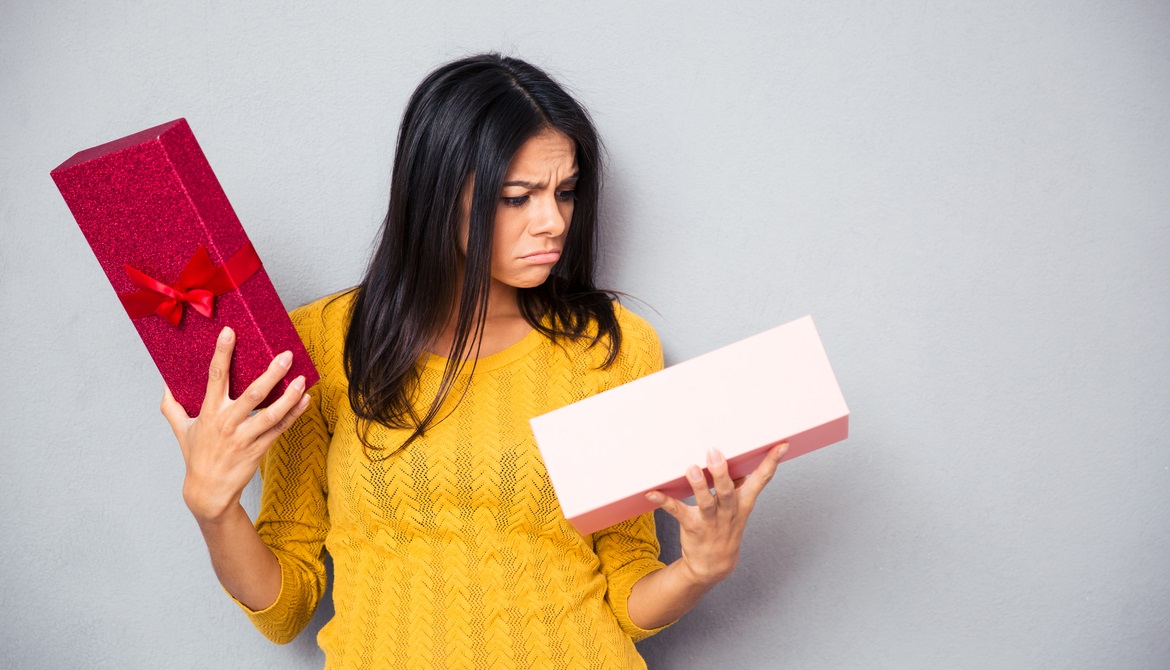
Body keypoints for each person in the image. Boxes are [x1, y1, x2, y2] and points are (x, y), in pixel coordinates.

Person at [161, 53, 788, 670]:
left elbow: (626, 593)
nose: (553, 222)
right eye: (519, 197)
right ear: (437, 196)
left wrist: (699, 570)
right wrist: (214, 509)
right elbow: (286, 605)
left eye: (565, 192)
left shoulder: (610, 348)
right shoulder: (322, 344)